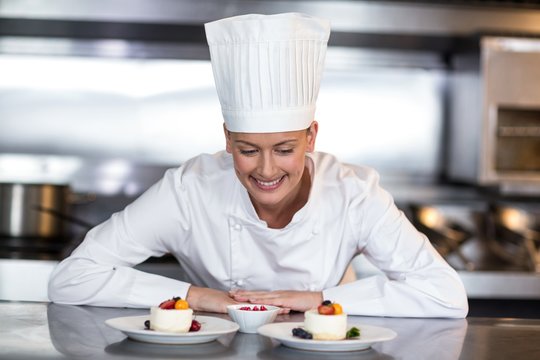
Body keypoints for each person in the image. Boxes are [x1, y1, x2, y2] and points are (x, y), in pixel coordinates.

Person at [48, 13, 468, 318]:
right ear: (227, 138)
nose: (266, 170)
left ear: (311, 137)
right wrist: (195, 296)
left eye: (285, 149)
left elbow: (445, 295)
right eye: (248, 149)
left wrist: (321, 298)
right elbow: (71, 279)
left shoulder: (353, 193)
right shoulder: (188, 190)